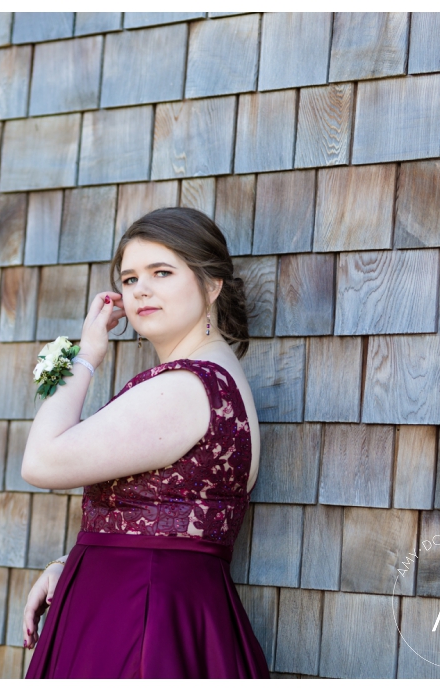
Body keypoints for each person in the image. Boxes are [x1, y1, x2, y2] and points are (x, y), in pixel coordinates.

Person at [20, 207, 270, 678]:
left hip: (140, 619)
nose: (141, 290)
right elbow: (158, 516)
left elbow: (40, 462)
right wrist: (69, 564)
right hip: (144, 602)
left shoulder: (184, 387)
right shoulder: (211, 378)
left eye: (162, 272)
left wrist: (86, 355)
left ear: (211, 284)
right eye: (130, 279)